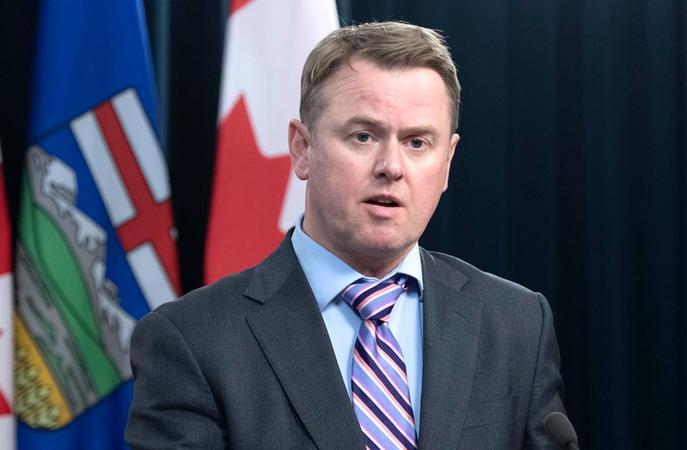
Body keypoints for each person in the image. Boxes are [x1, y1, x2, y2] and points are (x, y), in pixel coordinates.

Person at [125, 21, 567, 449]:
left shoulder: (516, 324)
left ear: (447, 161)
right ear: (302, 148)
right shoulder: (192, 340)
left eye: (417, 142)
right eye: (363, 136)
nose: (391, 167)